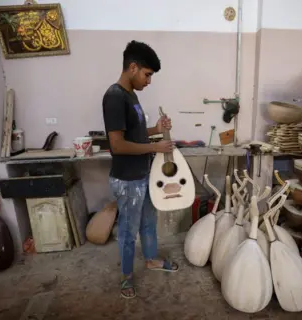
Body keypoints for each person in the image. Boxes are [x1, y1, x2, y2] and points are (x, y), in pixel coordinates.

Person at [102, 40, 179, 299]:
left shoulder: (131, 96)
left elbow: (134, 135)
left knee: (148, 222)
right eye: (147, 74)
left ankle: (150, 260)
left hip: (143, 175)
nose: (149, 81)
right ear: (132, 67)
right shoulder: (114, 97)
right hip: (127, 180)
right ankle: (126, 277)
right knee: (127, 231)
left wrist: (156, 131)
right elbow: (118, 145)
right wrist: (154, 148)